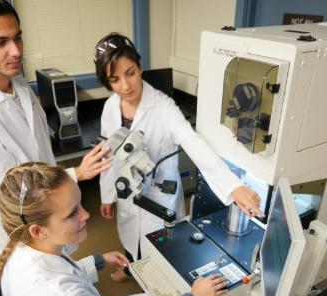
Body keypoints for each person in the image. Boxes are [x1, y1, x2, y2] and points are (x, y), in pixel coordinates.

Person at [0, 162, 227, 296]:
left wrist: (97, 261)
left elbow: (63, 278)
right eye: (72, 213)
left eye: (80, 204)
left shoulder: (24, 248)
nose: (86, 215)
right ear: (38, 230)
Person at [94, 33, 263, 280]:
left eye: (130, 73)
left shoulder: (164, 107)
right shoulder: (110, 106)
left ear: (140, 68)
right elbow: (107, 154)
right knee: (130, 234)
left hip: (159, 195)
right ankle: (131, 268)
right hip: (128, 192)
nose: (125, 86)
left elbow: (192, 142)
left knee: (160, 248)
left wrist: (233, 187)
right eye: (115, 79)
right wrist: (107, 195)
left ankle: (153, 283)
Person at [0, 0, 112, 254]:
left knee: (70, 273)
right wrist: (76, 173)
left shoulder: (19, 85)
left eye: (18, 38)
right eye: (0, 42)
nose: (15, 51)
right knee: (46, 285)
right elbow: (15, 193)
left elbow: (40, 156)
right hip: (24, 228)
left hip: (54, 215)